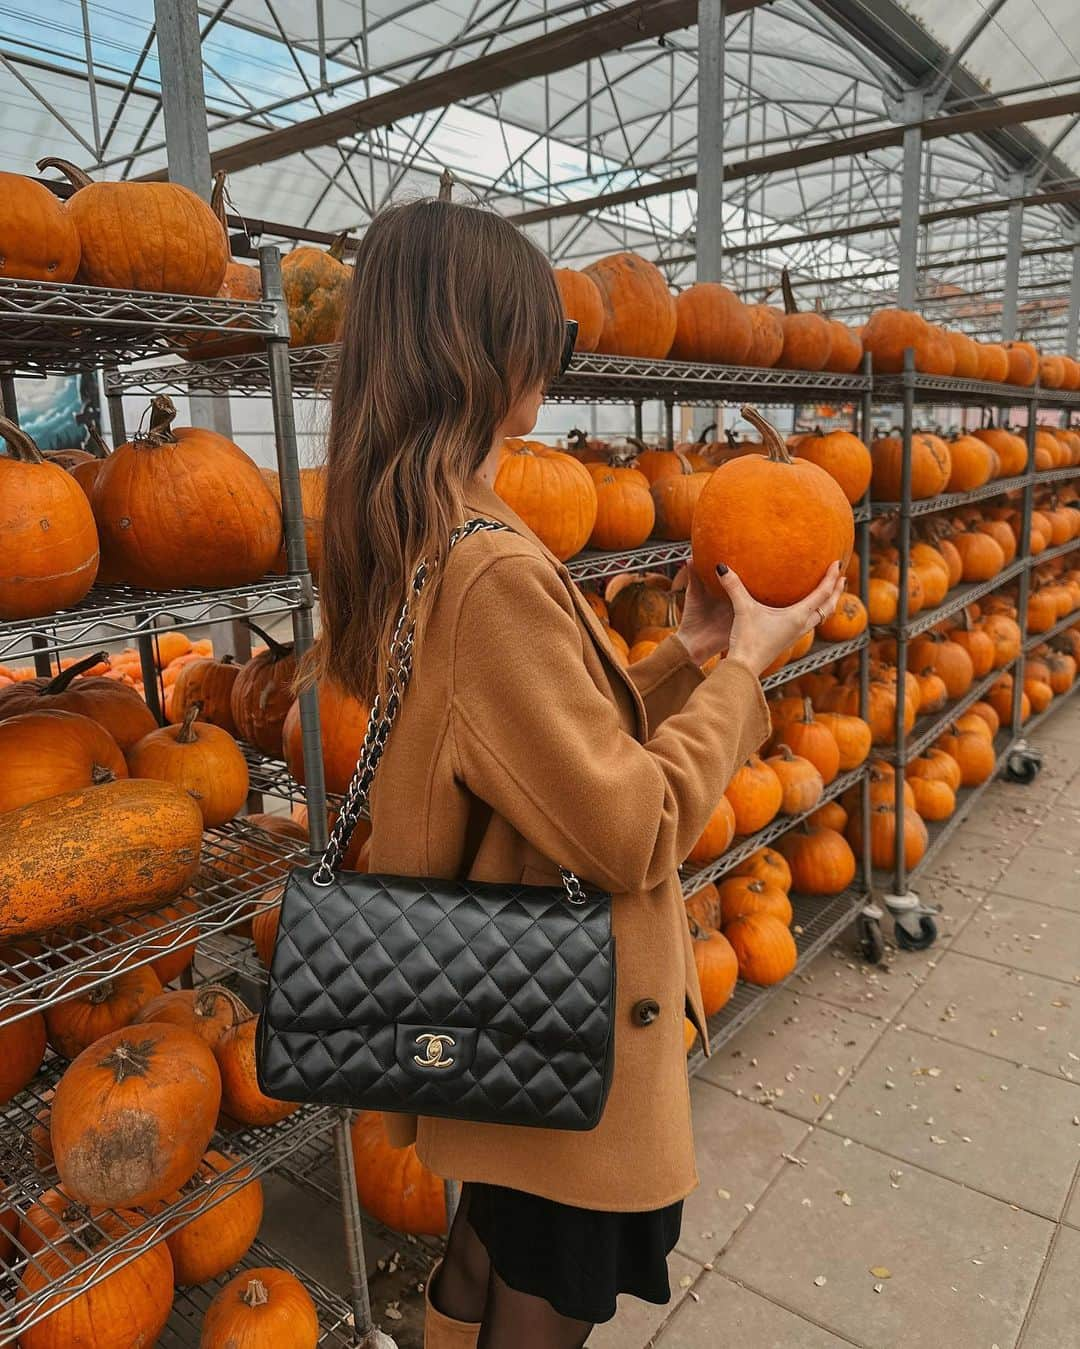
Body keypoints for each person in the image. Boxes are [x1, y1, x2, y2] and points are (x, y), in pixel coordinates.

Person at [309, 195, 844, 1349]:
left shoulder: (422, 527)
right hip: (561, 1025)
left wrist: (687, 654)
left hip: (488, 999)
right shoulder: (490, 566)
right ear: (477, 343)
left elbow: (531, 750)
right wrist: (747, 671)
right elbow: (629, 828)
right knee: (538, 1288)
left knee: (485, 1253)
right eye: (534, 328)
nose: (550, 356)